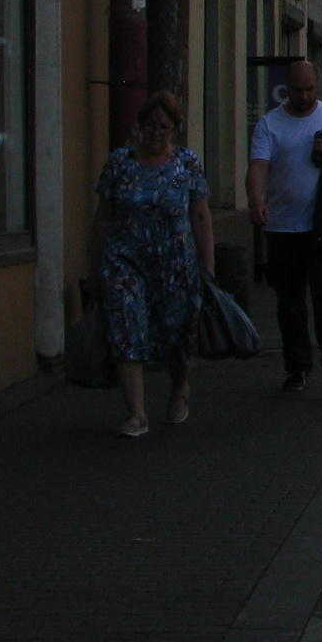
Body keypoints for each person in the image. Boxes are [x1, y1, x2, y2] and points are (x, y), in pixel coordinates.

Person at [92, 92, 214, 438]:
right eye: (150, 126)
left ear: (175, 128)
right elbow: (103, 216)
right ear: (139, 127)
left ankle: (179, 389)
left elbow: (201, 215)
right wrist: (94, 263)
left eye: (163, 126)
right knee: (126, 325)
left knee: (178, 331)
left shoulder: (187, 163)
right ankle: (136, 413)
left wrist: (209, 266)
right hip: (125, 260)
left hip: (176, 263)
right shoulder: (120, 163)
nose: (156, 133)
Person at [247, 60, 322, 397]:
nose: (303, 96)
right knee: (291, 302)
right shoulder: (270, 124)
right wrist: (256, 199)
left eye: (309, 90)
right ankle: (297, 366)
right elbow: (258, 165)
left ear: (317, 87)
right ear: (287, 88)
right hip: (283, 228)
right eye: (297, 90)